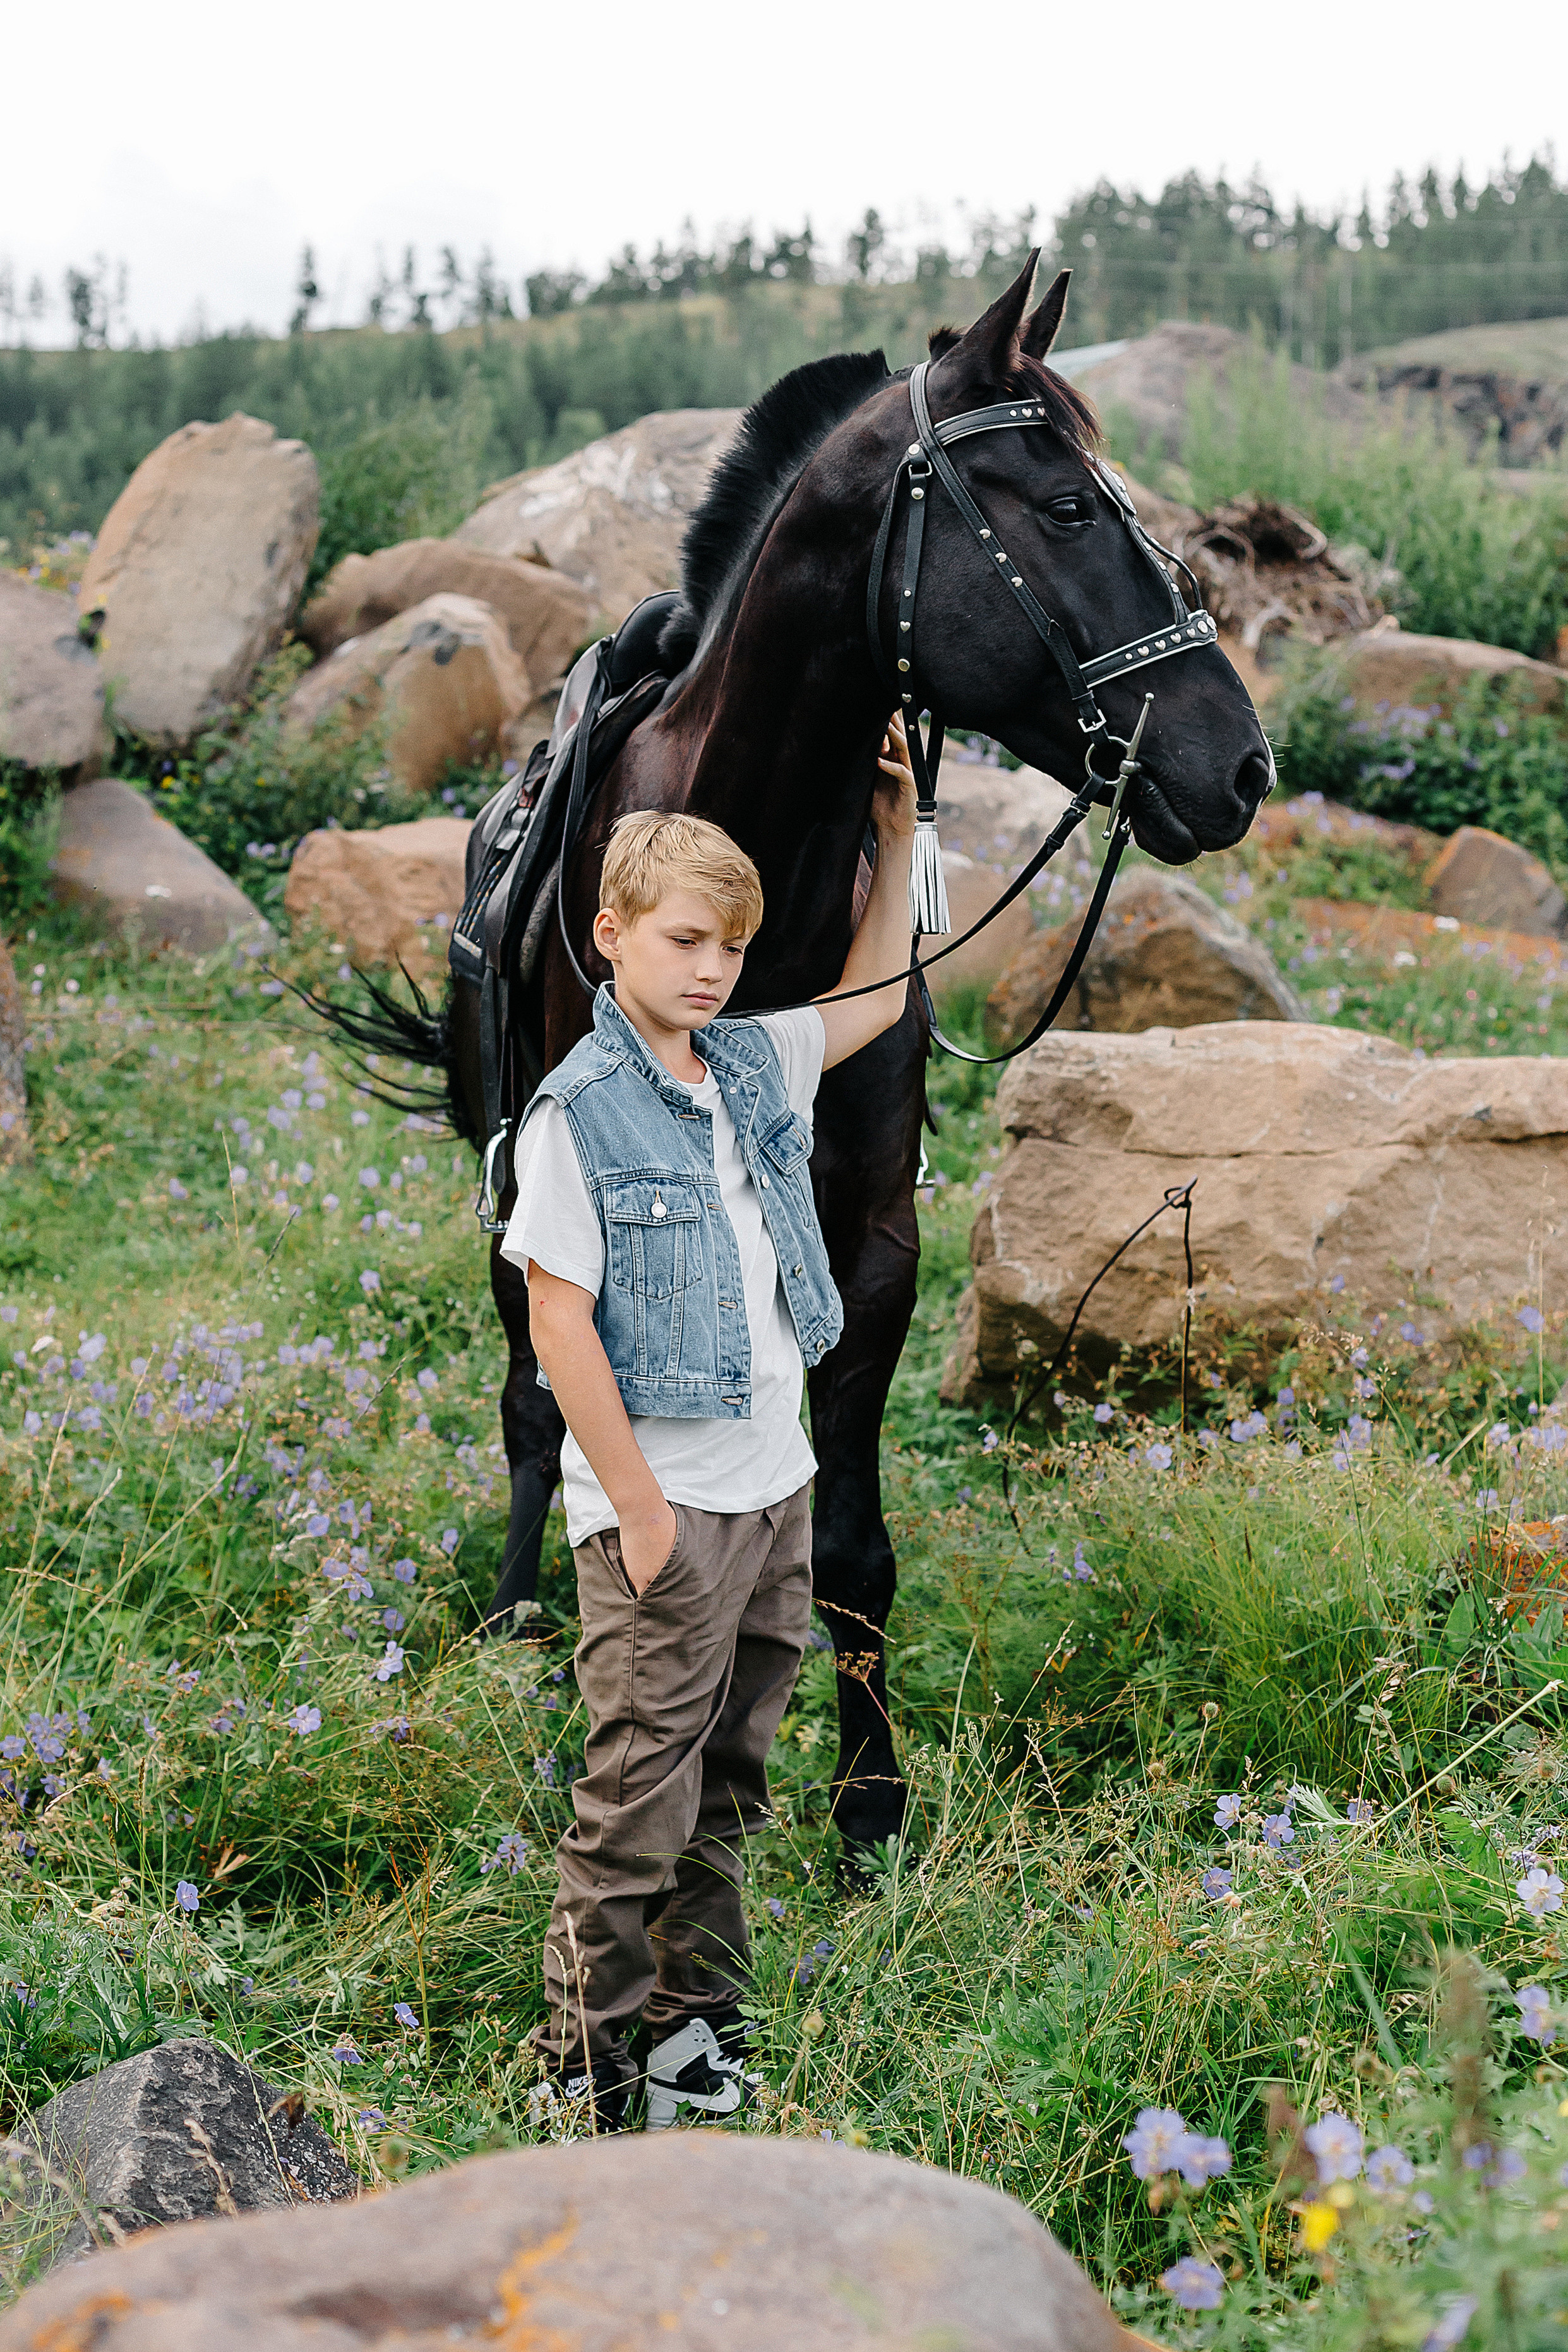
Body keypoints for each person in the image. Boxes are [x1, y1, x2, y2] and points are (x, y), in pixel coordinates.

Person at [500, 714, 919, 2132]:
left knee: (733, 1779)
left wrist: (902, 838)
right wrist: (646, 1505)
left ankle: (691, 2029)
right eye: (684, 940)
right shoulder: (582, 1114)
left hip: (776, 1488)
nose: (712, 968)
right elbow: (561, 1323)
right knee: (637, 1800)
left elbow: (879, 992)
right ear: (612, 934)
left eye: (730, 947)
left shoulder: (748, 1065)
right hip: (663, 1506)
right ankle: (583, 2069)